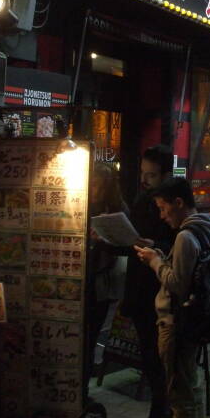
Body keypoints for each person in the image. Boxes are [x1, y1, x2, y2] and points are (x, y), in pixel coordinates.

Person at [135, 177, 210, 418]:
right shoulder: (207, 227)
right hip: (195, 321)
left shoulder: (186, 237)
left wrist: (155, 261)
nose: (162, 216)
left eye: (163, 208)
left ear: (178, 203)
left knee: (179, 392)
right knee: (191, 386)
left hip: (177, 322)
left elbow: (177, 284)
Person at [121, 144, 175, 418]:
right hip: (143, 287)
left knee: (156, 361)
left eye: (151, 175)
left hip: (154, 292)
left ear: (166, 174)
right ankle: (160, 417)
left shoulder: (169, 204)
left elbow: (173, 244)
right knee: (151, 359)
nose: (145, 180)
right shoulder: (150, 198)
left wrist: (153, 245)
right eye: (143, 174)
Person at [86, 163, 129, 382]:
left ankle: (86, 375)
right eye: (92, 184)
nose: (94, 190)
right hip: (81, 275)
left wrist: (105, 242)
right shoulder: (80, 203)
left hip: (101, 279)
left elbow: (128, 243)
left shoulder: (117, 208)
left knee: (93, 329)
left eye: (99, 186)